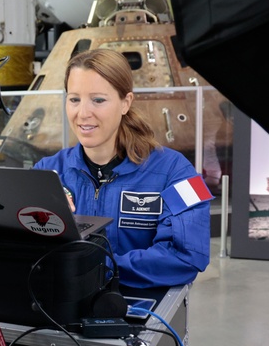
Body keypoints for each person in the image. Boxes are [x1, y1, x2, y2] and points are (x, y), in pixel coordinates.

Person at [33, 49, 211, 288]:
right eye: (74, 99)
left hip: (139, 312)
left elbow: (186, 256)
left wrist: (100, 270)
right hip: (60, 309)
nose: (83, 113)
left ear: (125, 103)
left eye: (98, 100)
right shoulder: (48, 173)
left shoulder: (176, 172)